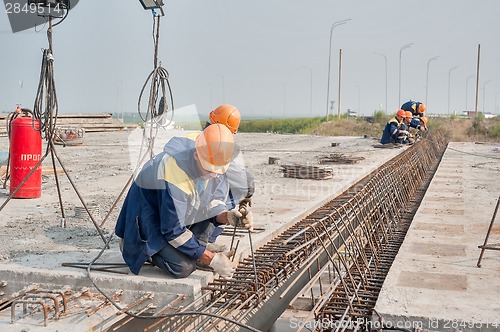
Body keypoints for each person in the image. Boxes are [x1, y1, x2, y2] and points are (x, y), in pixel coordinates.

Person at [115, 124, 251, 279]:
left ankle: (196, 249)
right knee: (183, 267)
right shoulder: (175, 174)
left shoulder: (214, 155)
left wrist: (228, 216)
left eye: (217, 170)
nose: (214, 175)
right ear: (196, 156)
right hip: (151, 216)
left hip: (173, 213)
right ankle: (141, 249)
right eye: (209, 169)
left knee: (222, 206)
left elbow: (213, 202)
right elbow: (173, 230)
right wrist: (211, 259)